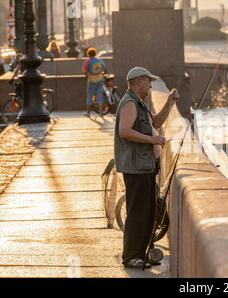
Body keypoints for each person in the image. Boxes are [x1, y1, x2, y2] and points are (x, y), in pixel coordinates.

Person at [114, 67, 180, 269]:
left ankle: (140, 254)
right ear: (139, 81)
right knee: (137, 213)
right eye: (148, 81)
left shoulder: (139, 103)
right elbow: (124, 131)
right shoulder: (130, 103)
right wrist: (152, 139)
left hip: (145, 166)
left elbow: (156, 122)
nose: (151, 85)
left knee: (147, 212)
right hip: (136, 168)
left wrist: (169, 103)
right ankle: (131, 256)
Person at [81, 48, 107, 117]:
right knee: (99, 96)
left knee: (90, 95)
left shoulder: (88, 61)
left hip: (92, 80)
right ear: (95, 53)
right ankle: (101, 112)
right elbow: (105, 70)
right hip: (100, 79)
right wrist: (101, 74)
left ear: (88, 54)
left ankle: (88, 113)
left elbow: (84, 70)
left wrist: (88, 75)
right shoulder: (100, 60)